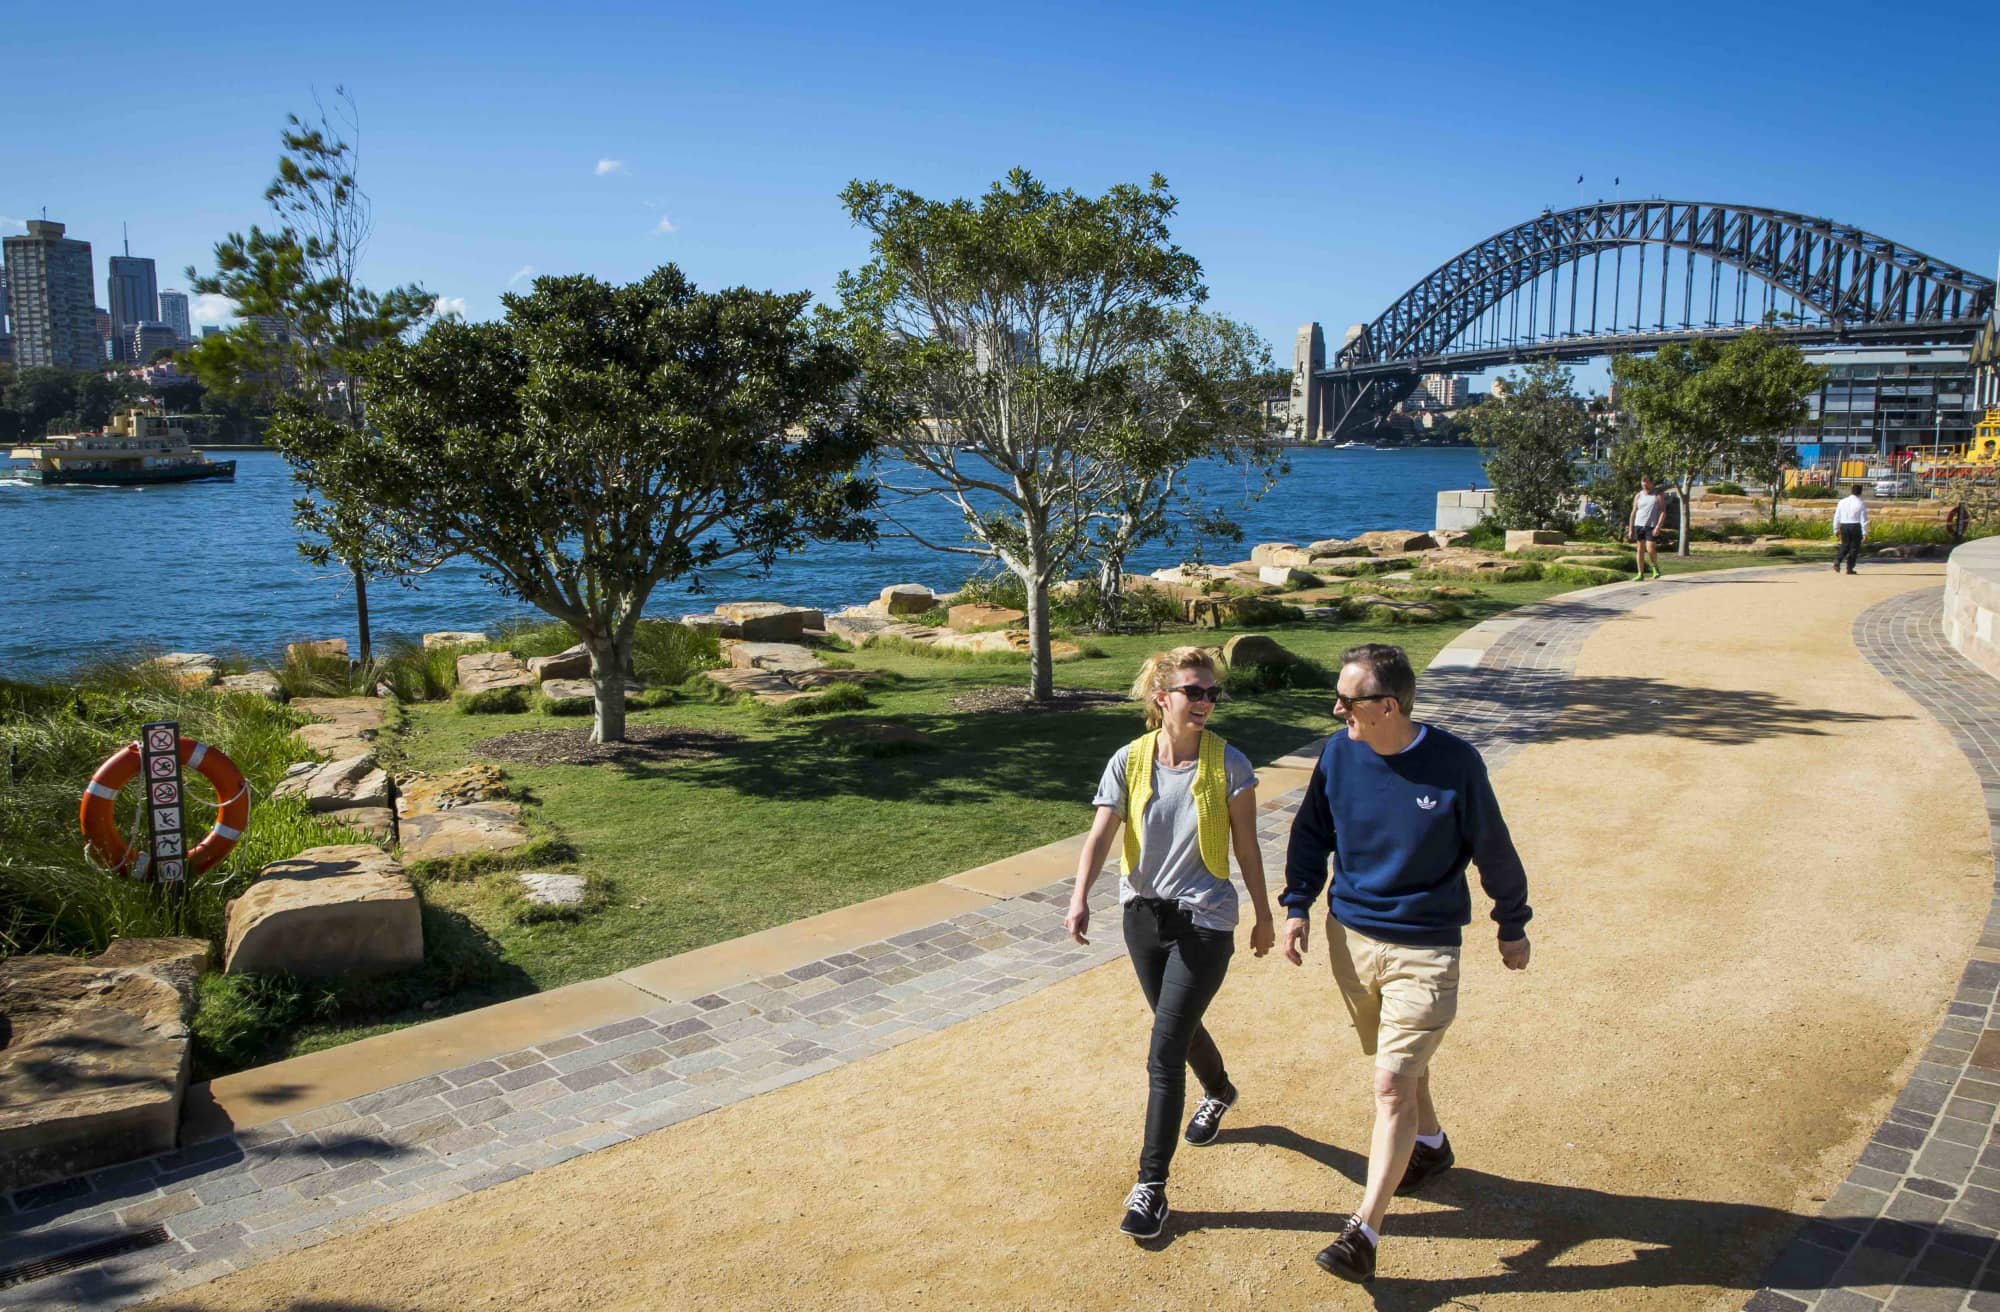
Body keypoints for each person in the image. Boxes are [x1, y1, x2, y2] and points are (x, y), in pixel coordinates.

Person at [1281, 643, 1533, 1283]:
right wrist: (1297, 905)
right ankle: (1432, 1145)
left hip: (1425, 947)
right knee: (1400, 1065)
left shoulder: (1454, 764)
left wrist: (1512, 923)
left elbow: (1493, 847)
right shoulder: (1338, 753)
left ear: (1387, 705)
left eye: (1347, 699)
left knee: (1390, 1084)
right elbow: (1311, 833)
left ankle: (1363, 1231)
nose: (1337, 709)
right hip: (1351, 939)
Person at [1067, 646, 1275, 1241]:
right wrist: (1079, 897)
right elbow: (1100, 835)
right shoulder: (1129, 760)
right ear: (1162, 698)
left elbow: (1247, 846)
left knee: (1163, 1051)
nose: (1206, 702)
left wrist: (1264, 915)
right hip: (1142, 918)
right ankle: (1221, 1090)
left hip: (1205, 922)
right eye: (1194, 692)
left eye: (1212, 693)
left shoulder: (1229, 763)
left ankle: (1151, 1187)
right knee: (1175, 1025)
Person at [1628, 475, 1665, 580]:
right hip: (1639, 524)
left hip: (1651, 525)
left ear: (1651, 483)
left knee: (1650, 548)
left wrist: (1658, 526)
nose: (1644, 485)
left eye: (1646, 483)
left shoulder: (1657, 494)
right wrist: (1630, 529)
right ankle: (1640, 573)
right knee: (1640, 549)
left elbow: (1663, 511)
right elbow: (1633, 511)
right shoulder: (1638, 495)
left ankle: (1655, 567)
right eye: (1643, 483)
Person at [1833, 483, 1868, 574]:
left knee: (1845, 545)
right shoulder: (1860, 503)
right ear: (1860, 492)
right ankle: (1849, 568)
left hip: (1844, 525)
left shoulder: (1842, 502)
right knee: (1854, 547)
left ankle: (1838, 560)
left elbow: (1837, 516)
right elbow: (1863, 519)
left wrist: (1835, 529)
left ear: (1851, 491)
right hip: (1855, 525)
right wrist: (1865, 532)